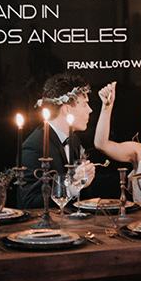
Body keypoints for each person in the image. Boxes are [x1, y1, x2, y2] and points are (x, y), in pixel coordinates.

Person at [16, 72, 96, 209]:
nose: (90, 110)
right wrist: (72, 186)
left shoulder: (74, 141)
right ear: (67, 109)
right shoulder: (33, 148)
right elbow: (30, 202)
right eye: (85, 105)